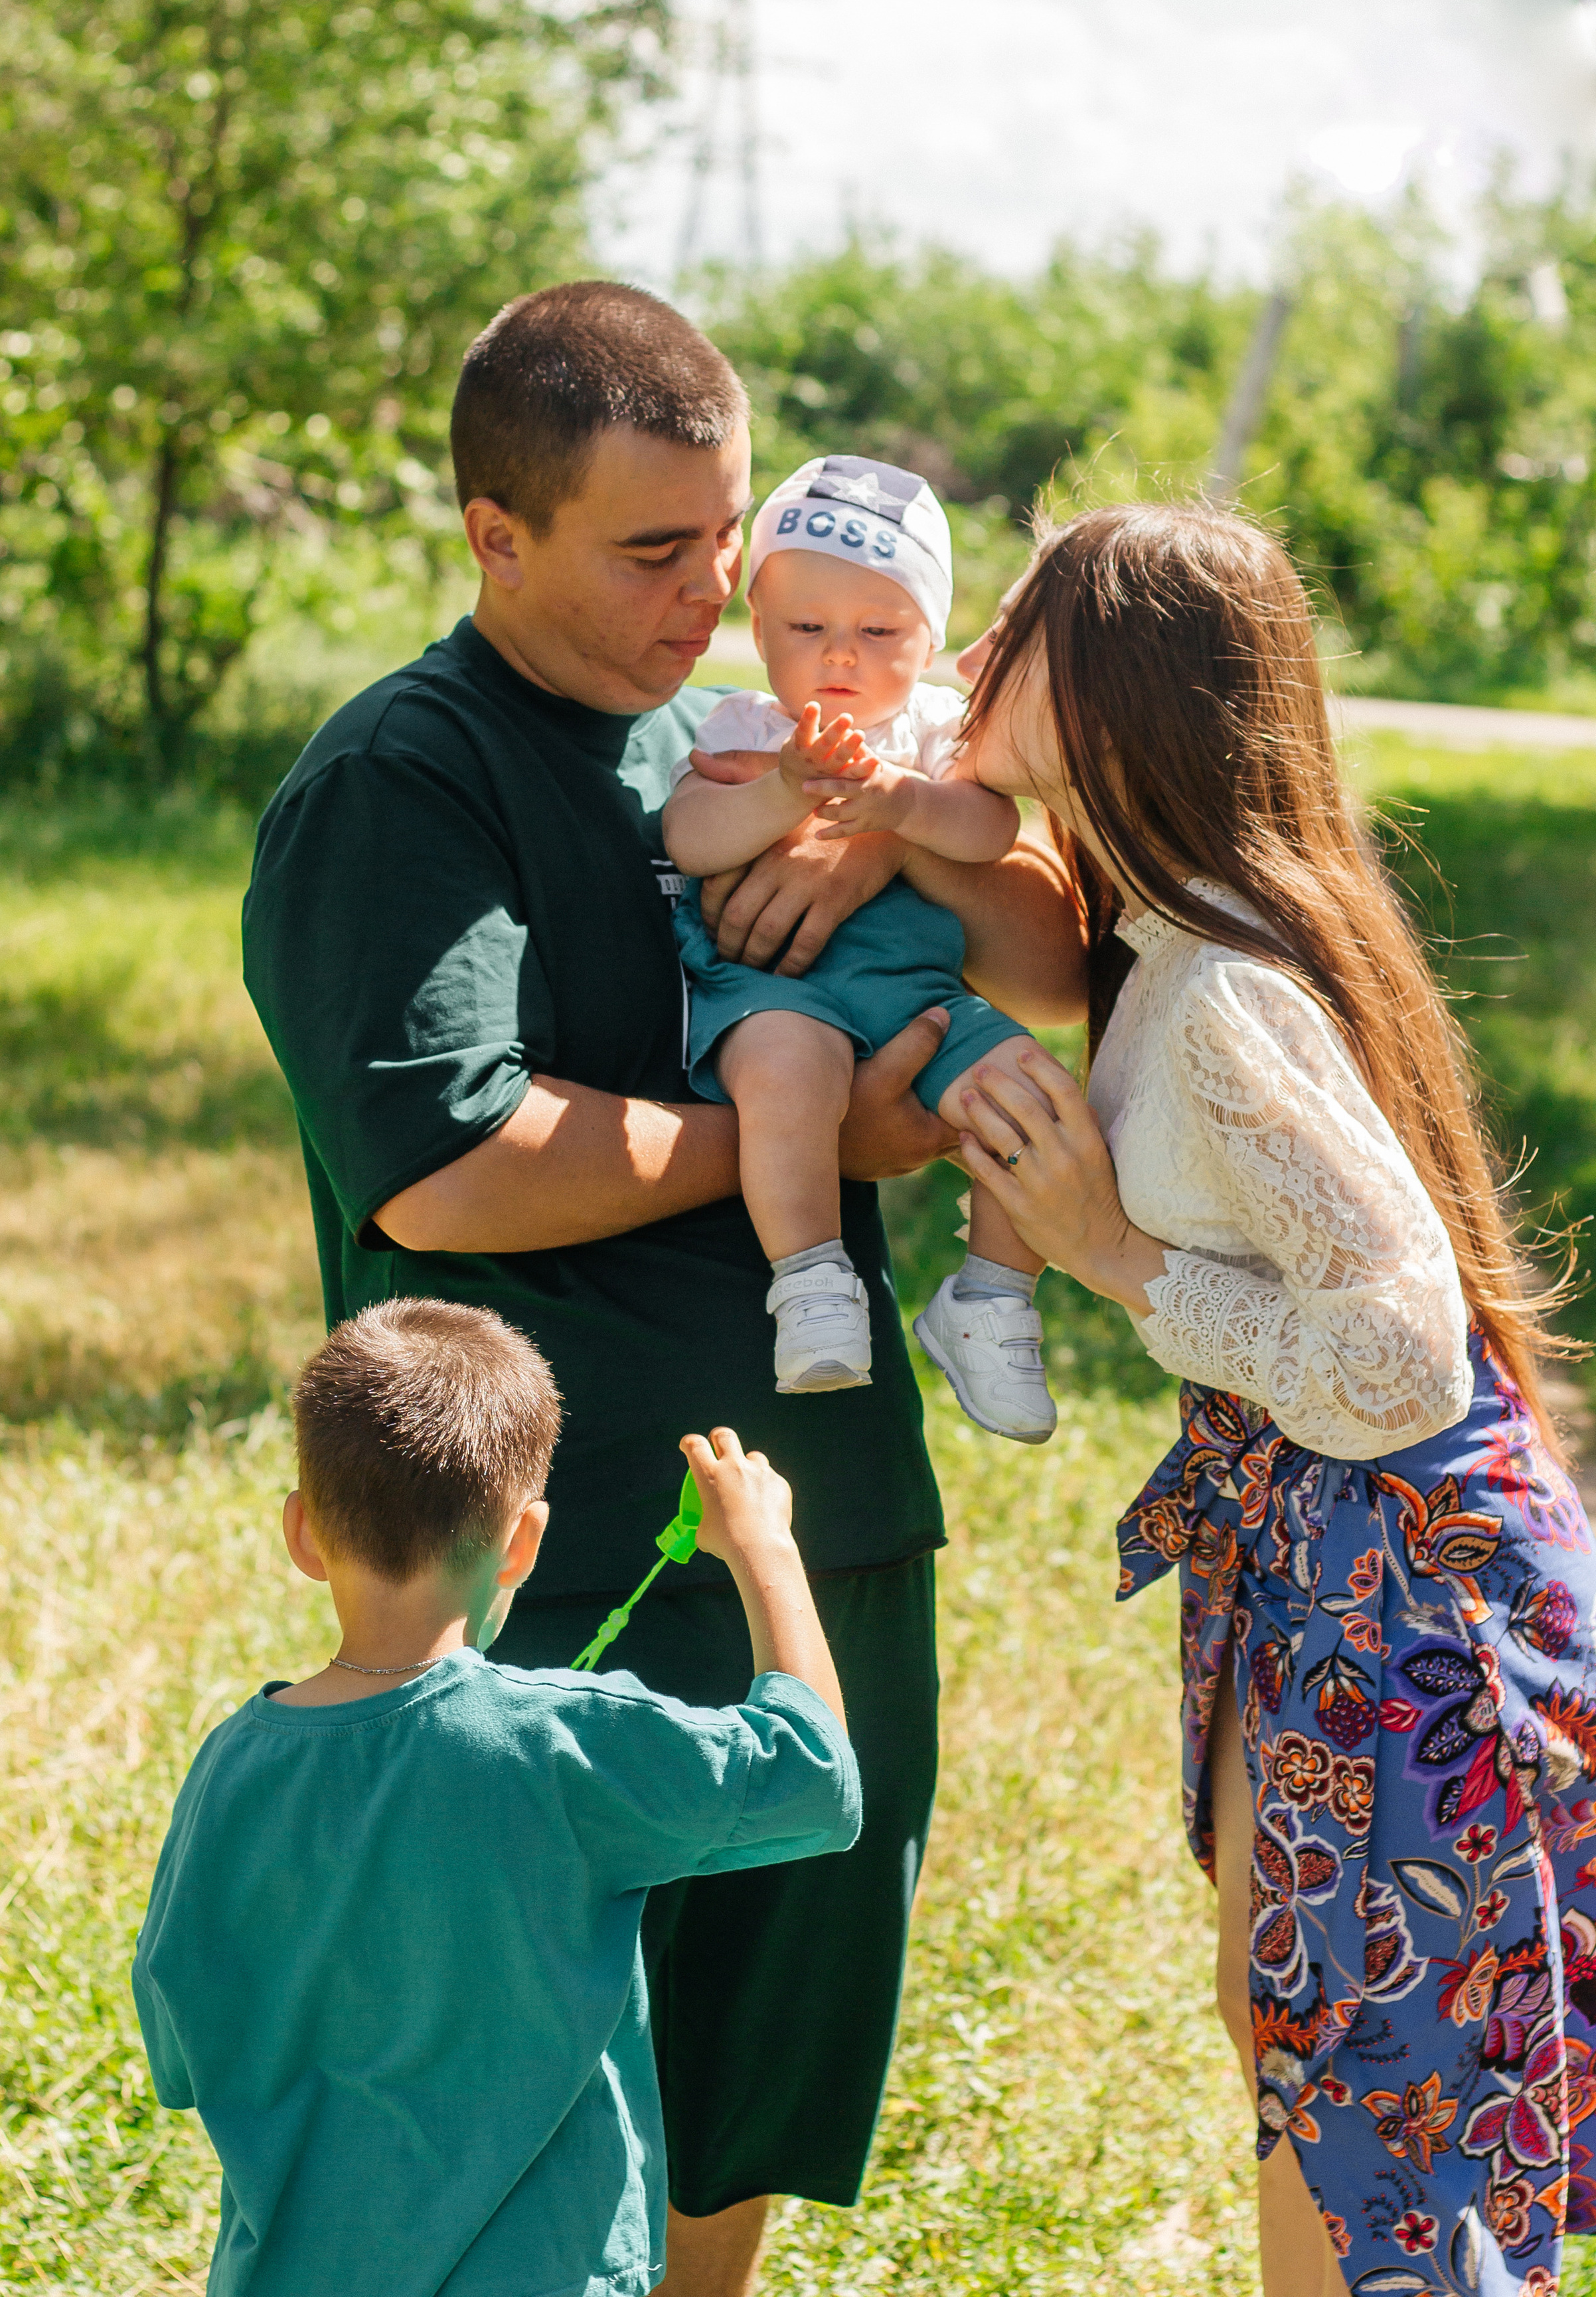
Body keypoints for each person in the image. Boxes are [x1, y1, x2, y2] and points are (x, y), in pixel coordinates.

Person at [240, 280, 1087, 2297]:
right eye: (649, 552)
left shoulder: (737, 736)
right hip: (553, 1535)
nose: (709, 594)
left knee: (763, 2032)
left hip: (815, 1503)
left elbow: (1049, 952)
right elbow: (446, 1165)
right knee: (514, 2070)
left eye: (723, 539)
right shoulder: (406, 780)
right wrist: (825, 1136)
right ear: (494, 532)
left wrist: (890, 851)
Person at [941, 504, 1596, 2297]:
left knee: (1362, 2106)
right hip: (1320, 1547)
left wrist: (1113, 1258)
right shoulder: (1168, 934)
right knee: (1310, 2055)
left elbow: (1400, 1356)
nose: (964, 655)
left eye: (1011, 627)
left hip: (1400, 1576)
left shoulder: (1220, 995)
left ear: (1110, 689)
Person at [132, 1297, 861, 2297]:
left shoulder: (233, 1765)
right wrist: (765, 1547)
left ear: (302, 1533)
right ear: (524, 1542)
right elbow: (816, 1779)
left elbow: (178, 2039)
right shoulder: (563, 1743)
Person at [663, 454, 1056, 1439]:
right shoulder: (748, 725)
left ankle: (993, 1298)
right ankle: (810, 1281)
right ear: (759, 630)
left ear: (931, 638)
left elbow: (990, 832)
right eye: (806, 629)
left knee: (1033, 1097)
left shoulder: (935, 732)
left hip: (919, 989)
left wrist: (899, 807)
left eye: (879, 632)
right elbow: (691, 839)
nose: (841, 654)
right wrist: (779, 791)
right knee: (788, 1077)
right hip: (775, 990)